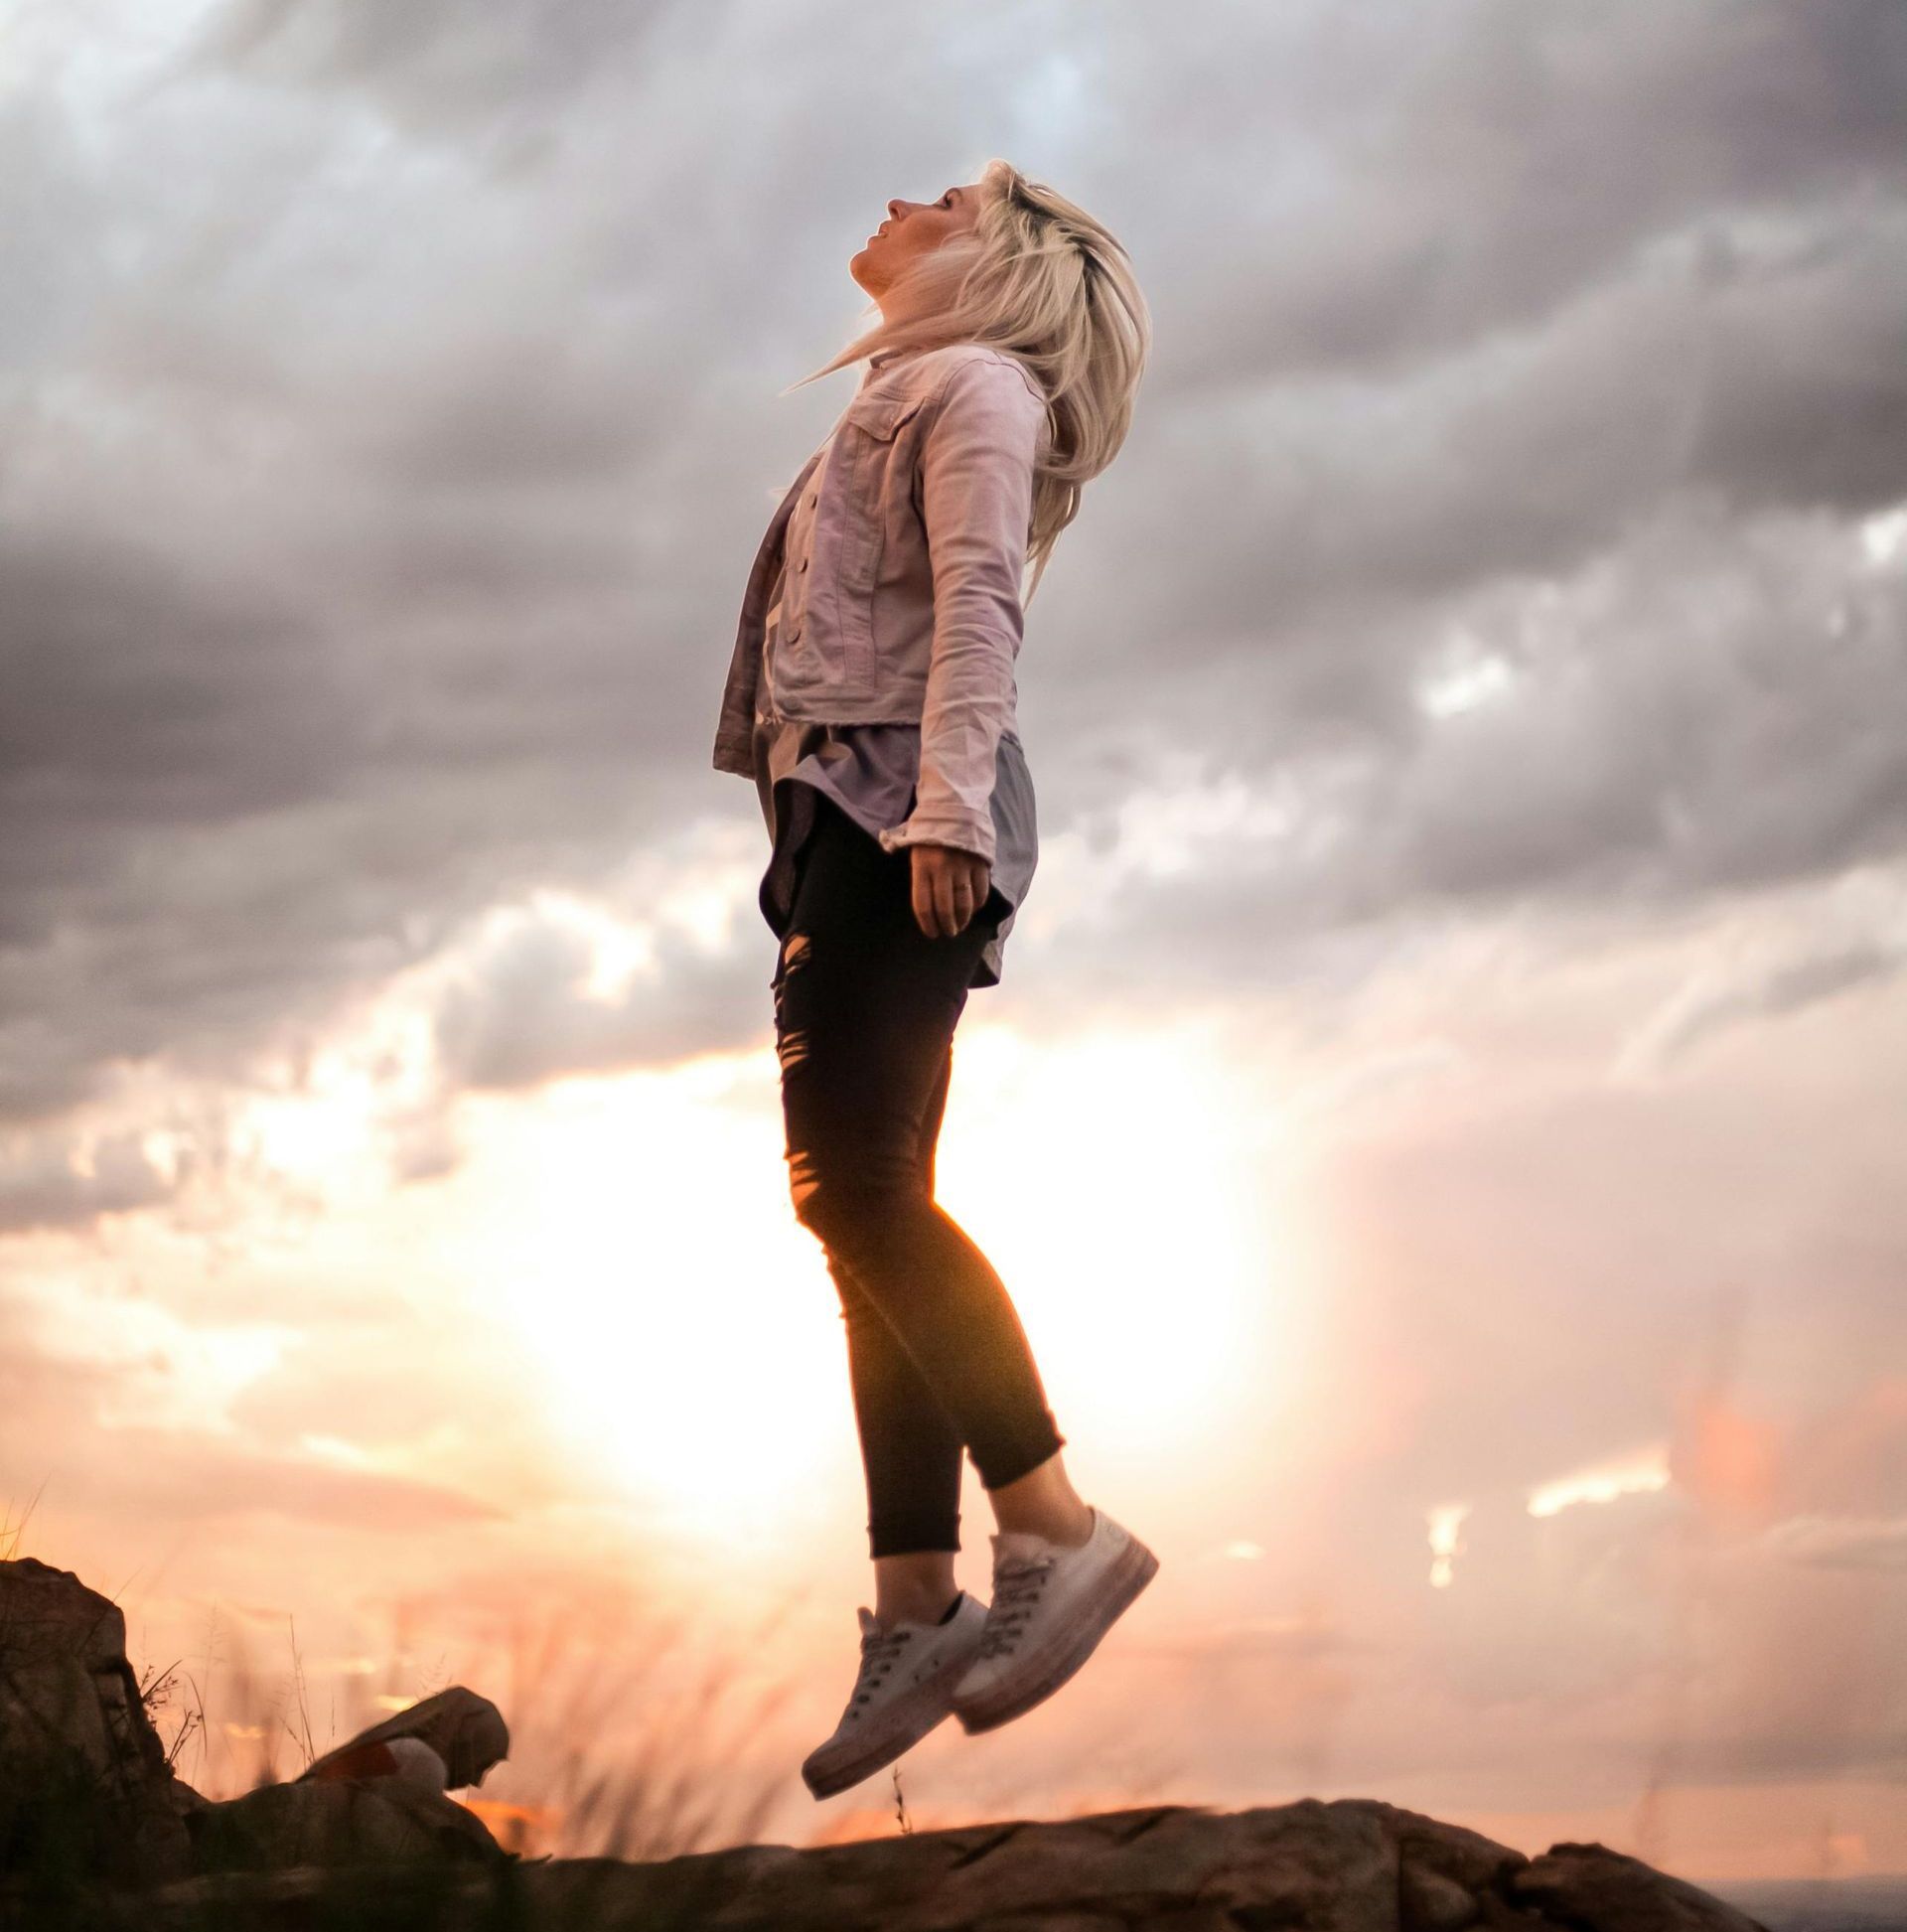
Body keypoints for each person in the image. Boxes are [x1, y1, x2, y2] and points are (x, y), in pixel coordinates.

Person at [709, 159, 1156, 1800]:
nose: (904, 197)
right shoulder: (914, 388)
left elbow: (981, 602)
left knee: (851, 1189)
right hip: (849, 810)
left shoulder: (973, 384)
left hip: (904, 808)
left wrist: (943, 808)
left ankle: (1055, 1525)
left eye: (946, 197)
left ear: (1004, 263)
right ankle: (918, 1600)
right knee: (862, 1214)